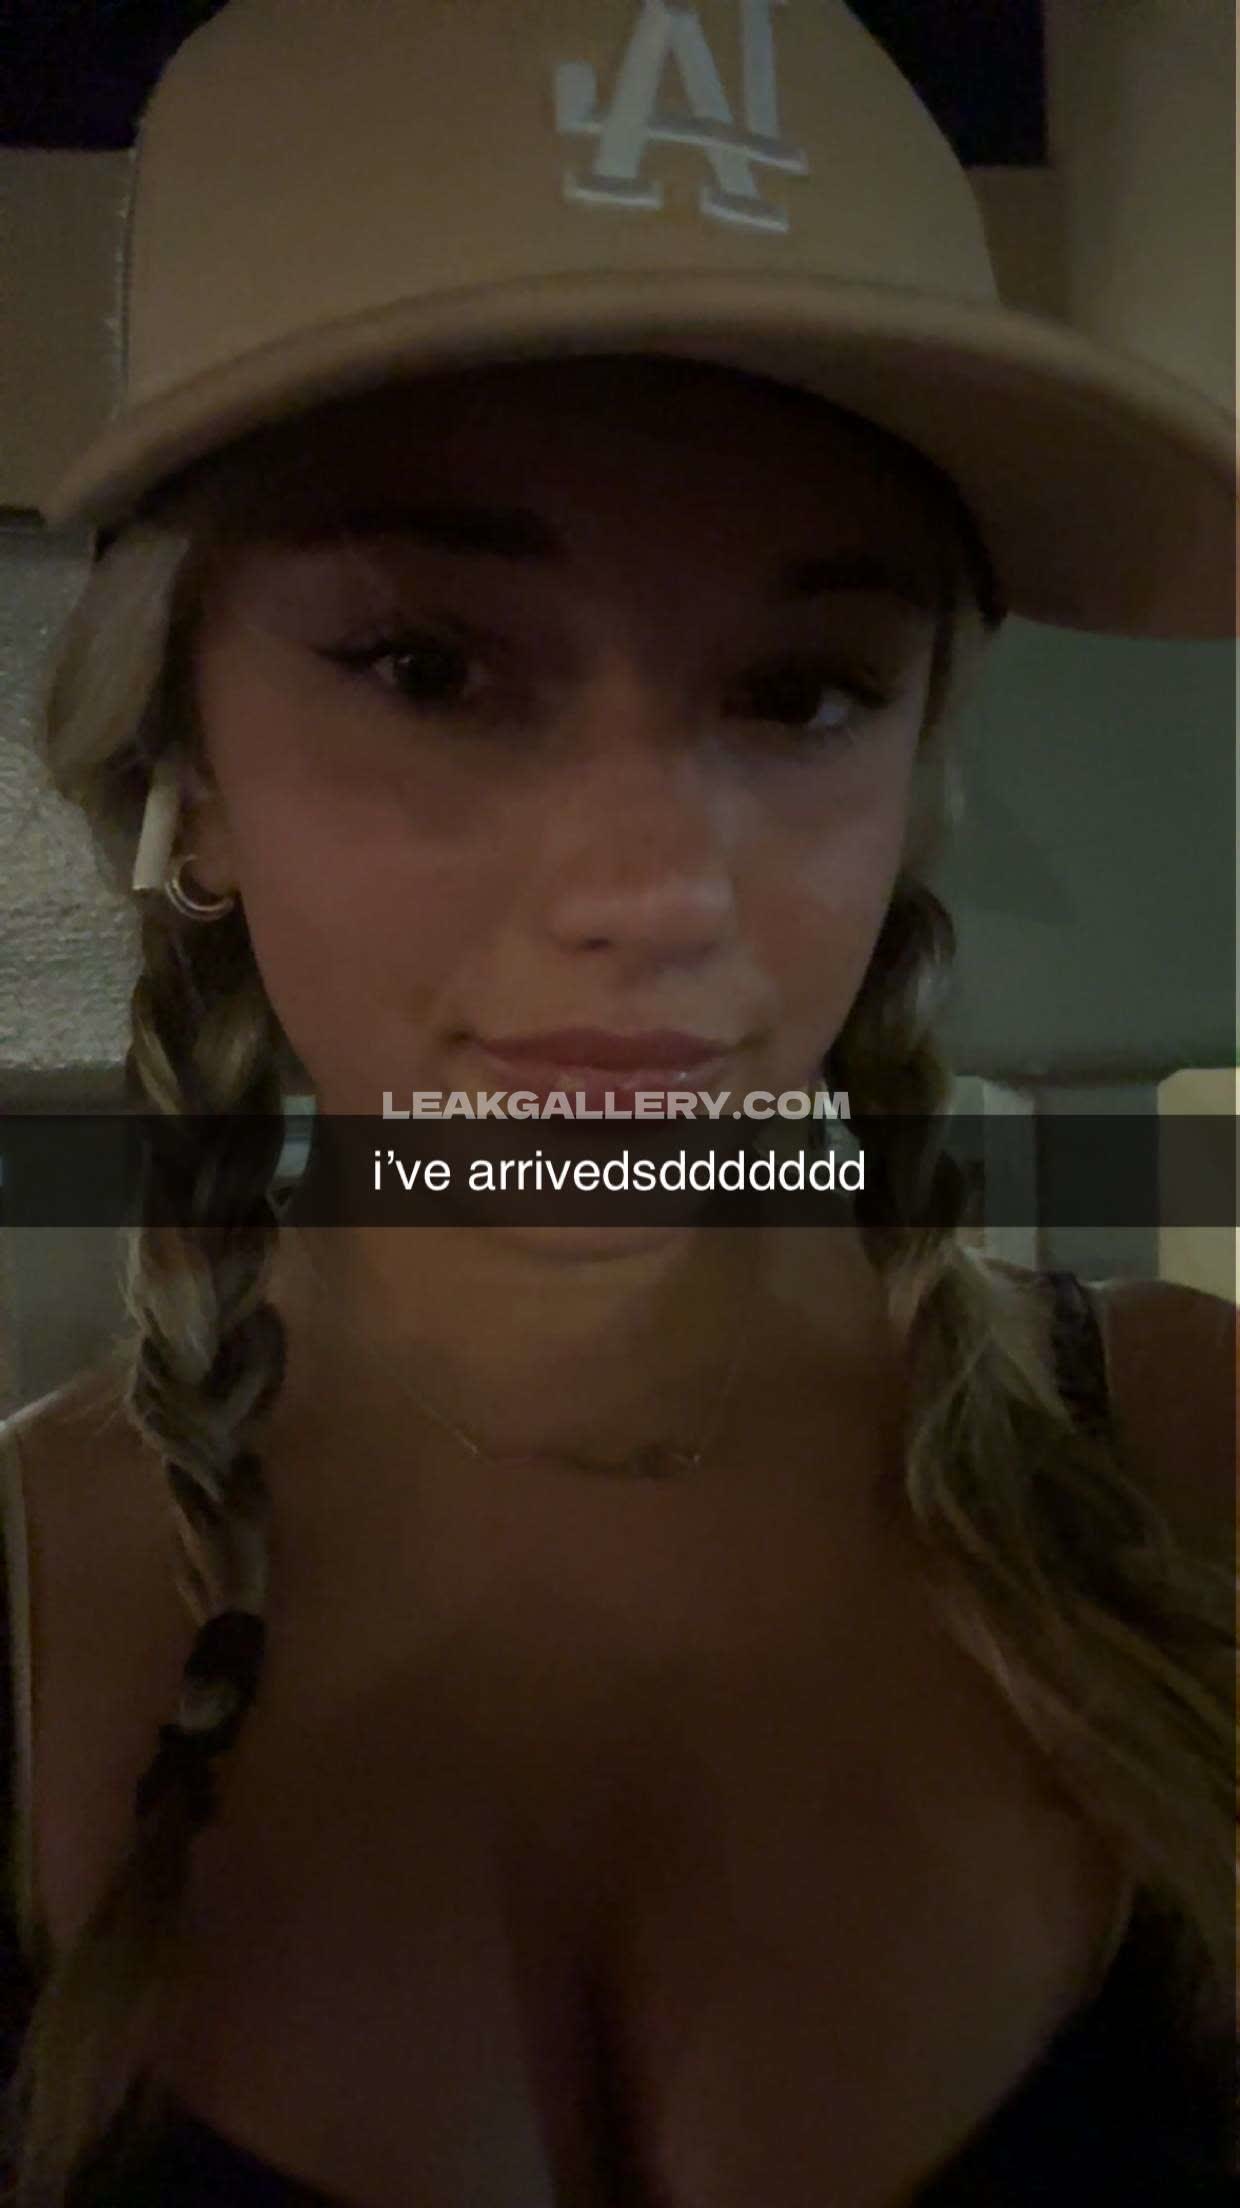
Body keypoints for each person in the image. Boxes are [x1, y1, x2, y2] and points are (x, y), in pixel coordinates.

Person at [2, 2, 1235, 2203]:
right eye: (431, 667)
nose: (659, 891)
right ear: (187, 768)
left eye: (802, 692)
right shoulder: (23, 1616)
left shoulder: (1203, 1476)